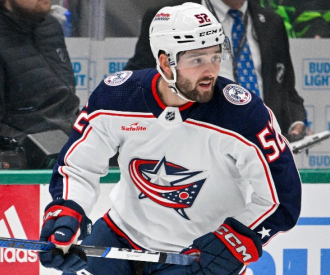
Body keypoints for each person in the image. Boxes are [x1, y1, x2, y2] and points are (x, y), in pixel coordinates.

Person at [38, 2, 302, 274]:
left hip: (197, 255)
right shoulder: (116, 97)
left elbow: (282, 197)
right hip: (121, 238)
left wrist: (234, 242)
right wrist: (67, 212)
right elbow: (79, 166)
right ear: (165, 62)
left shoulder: (243, 114)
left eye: (215, 56)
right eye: (197, 59)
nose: (211, 70)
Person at [125, 0, 307, 142]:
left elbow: (285, 90)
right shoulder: (169, 17)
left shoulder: (272, 23)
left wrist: (296, 121)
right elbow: (138, 83)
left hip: (258, 146)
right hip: (193, 143)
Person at [0, 0, 79, 167]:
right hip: (31, 164)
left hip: (75, 147)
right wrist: (28, 150)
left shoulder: (50, 27)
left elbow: (65, 101)